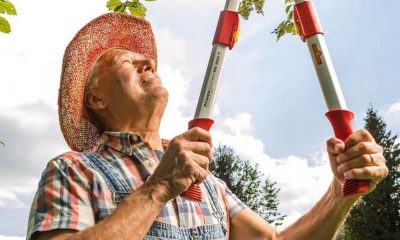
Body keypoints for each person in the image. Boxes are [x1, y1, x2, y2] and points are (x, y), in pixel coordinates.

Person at [27, 13, 388, 240]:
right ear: (96, 99)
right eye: (126, 61)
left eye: (147, 59)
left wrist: (339, 196)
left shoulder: (207, 182)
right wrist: (158, 189)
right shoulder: (73, 170)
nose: (148, 61)